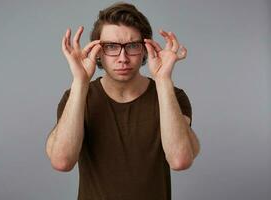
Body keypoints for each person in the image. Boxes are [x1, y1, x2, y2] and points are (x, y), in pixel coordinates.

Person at [45, 2, 200, 199]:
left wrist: (163, 80)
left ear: (145, 49)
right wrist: (80, 82)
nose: (122, 58)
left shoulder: (172, 95)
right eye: (111, 46)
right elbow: (61, 162)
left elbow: (180, 160)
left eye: (132, 46)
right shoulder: (76, 96)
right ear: (98, 51)